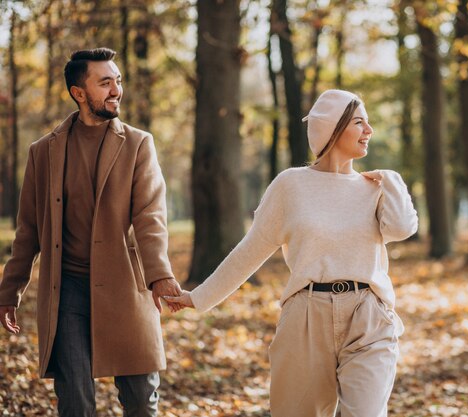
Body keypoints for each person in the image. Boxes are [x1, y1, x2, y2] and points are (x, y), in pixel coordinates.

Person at [165, 89, 418, 417]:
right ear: (333, 129)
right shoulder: (290, 186)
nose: (369, 130)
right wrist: (198, 297)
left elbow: (401, 229)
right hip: (306, 316)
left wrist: (393, 181)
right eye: (359, 122)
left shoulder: (374, 188)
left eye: (368, 123)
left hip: (368, 315)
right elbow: (250, 250)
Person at [0, 47, 181, 417]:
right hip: (67, 292)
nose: (116, 90)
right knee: (76, 403)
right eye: (105, 83)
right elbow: (29, 230)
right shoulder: (42, 152)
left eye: (118, 81)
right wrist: (9, 291)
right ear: (78, 93)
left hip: (125, 287)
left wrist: (159, 275)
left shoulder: (138, 144)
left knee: (141, 402)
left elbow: (150, 217)